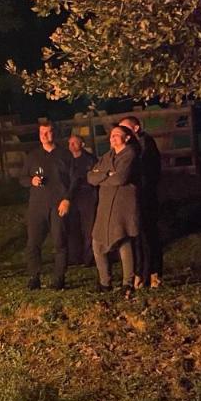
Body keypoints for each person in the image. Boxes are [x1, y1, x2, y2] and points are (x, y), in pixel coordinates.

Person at [21, 122, 75, 290]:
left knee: (59, 242)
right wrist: (31, 180)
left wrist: (67, 199)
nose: (44, 136)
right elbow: (22, 178)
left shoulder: (65, 155)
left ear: (54, 134)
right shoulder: (33, 156)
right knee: (33, 243)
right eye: (41, 133)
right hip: (37, 205)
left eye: (47, 132)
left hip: (58, 204)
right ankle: (34, 276)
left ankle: (59, 278)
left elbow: (74, 180)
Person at [88, 125, 141, 297]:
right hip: (105, 206)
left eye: (117, 135)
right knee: (97, 242)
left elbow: (121, 177)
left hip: (122, 205)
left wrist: (104, 175)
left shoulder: (130, 154)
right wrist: (108, 174)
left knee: (123, 241)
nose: (113, 138)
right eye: (111, 136)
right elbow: (91, 177)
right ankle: (105, 282)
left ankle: (127, 282)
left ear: (126, 138)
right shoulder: (107, 156)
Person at [120, 115, 163, 288]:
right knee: (136, 236)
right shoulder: (131, 147)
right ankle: (140, 273)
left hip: (146, 196)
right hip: (134, 197)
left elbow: (149, 172)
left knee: (149, 235)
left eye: (125, 128)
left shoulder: (146, 144)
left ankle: (154, 273)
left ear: (135, 128)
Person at [64, 133, 98, 267]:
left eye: (74, 143)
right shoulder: (67, 160)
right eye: (69, 143)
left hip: (87, 196)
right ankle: (74, 257)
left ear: (82, 144)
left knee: (88, 227)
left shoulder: (90, 160)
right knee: (73, 227)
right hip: (72, 197)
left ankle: (88, 258)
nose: (71, 146)